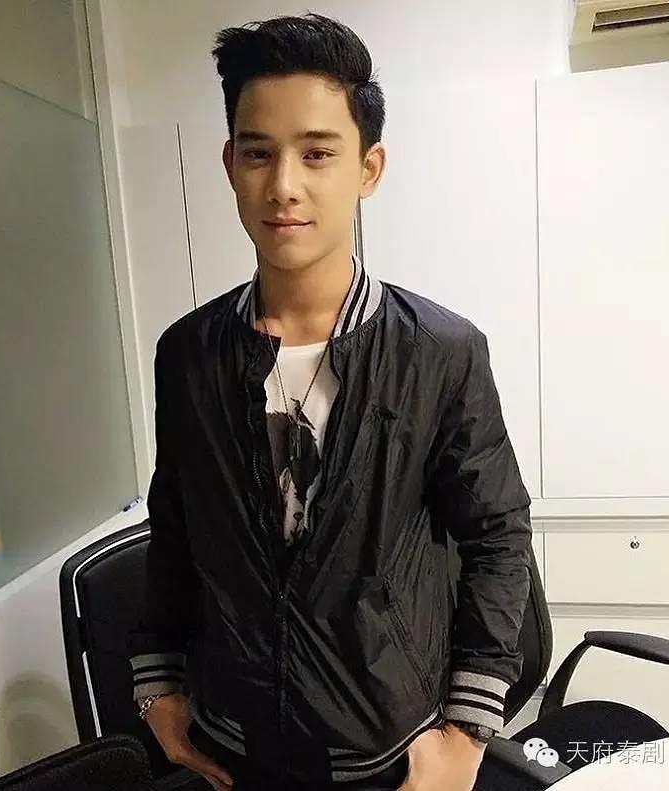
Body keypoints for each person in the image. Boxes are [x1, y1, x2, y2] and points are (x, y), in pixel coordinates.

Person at [128, 12, 532, 791]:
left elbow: (498, 534)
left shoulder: (440, 352)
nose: (284, 185)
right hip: (236, 746)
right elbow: (174, 524)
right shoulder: (189, 353)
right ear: (230, 163)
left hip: (387, 752)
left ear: (368, 168)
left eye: (317, 153)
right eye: (258, 152)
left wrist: (466, 732)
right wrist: (159, 687)